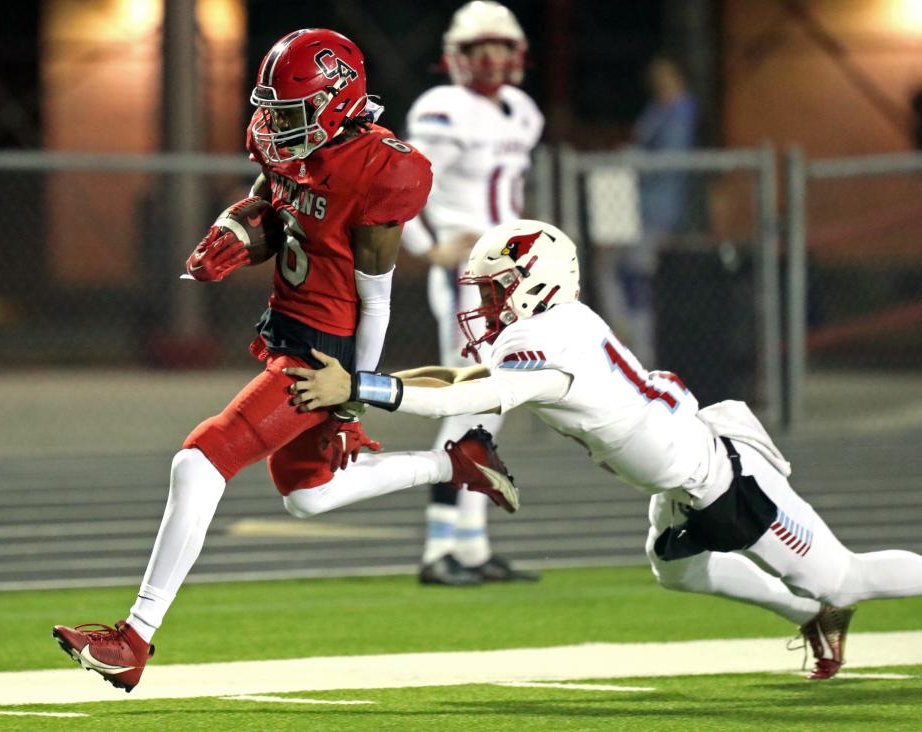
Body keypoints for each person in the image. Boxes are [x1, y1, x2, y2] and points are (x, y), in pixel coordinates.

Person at [49, 29, 512, 694]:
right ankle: (456, 461)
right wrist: (235, 230)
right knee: (308, 496)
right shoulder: (289, 145)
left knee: (200, 458)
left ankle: (134, 637)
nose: (274, 124)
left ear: (336, 103)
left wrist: (354, 395)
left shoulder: (379, 168)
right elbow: (275, 205)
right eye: (271, 108)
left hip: (324, 354)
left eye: (291, 112)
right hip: (293, 329)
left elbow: (374, 301)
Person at [287, 218, 922, 681]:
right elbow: (460, 381)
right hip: (682, 472)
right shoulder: (554, 325)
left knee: (846, 576)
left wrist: (363, 387)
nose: (484, 304)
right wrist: (370, 387)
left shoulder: (548, 344)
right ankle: (806, 611)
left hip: (723, 480)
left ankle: (821, 601)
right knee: (674, 567)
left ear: (537, 282)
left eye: (495, 288)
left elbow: (460, 401)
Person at [401, 0, 544, 586]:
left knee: (494, 406)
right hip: (467, 277)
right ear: (455, 56)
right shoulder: (441, 109)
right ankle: (439, 549)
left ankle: (473, 545)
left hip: (511, 276)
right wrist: (424, 247)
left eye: (499, 47)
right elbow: (399, 186)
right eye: (477, 47)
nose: (489, 59)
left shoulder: (522, 112)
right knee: (469, 402)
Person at [597, 55, 697, 367]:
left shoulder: (680, 112)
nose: (661, 87)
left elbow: (665, 160)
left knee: (634, 272)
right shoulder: (657, 109)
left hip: (655, 206)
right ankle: (623, 333)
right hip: (632, 201)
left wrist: (634, 160)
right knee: (610, 267)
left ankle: (641, 348)